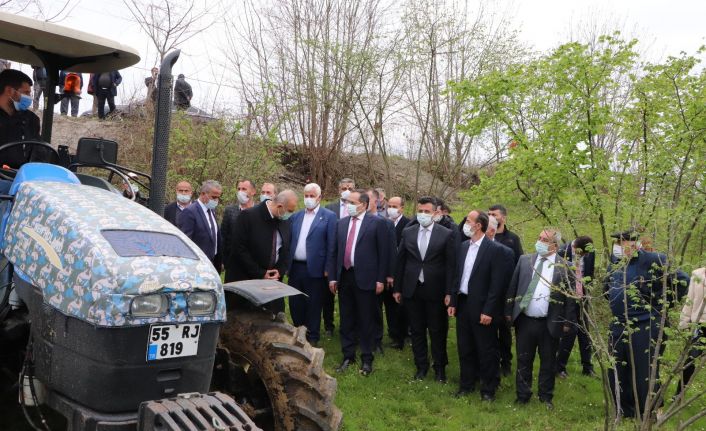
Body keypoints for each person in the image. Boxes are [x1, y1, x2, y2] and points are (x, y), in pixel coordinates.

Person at [605, 228, 689, 418]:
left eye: (622, 242)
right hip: (618, 325)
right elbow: (606, 287)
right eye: (617, 243)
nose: (618, 247)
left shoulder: (653, 260)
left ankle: (649, 411)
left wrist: (660, 303)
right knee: (617, 369)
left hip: (645, 325)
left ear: (633, 244)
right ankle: (625, 410)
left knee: (645, 372)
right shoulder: (615, 264)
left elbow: (683, 280)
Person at [505, 228, 576, 410]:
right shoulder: (525, 260)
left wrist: (568, 322)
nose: (540, 242)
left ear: (554, 245)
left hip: (550, 322)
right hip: (525, 320)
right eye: (539, 238)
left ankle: (546, 396)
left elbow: (570, 298)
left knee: (548, 362)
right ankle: (522, 395)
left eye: (544, 240)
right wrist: (508, 310)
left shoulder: (564, 266)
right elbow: (513, 286)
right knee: (523, 359)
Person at [447, 211, 509, 402]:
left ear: (479, 225)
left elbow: (496, 285)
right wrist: (454, 302)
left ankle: (488, 390)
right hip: (464, 303)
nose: (465, 223)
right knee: (465, 347)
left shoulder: (495, 250)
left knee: (486, 349)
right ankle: (466, 385)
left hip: (483, 307)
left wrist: (489, 311)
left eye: (468, 221)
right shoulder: (464, 246)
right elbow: (458, 276)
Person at [328, 189, 390, 376]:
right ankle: (348, 355)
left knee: (366, 319)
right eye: (347, 202)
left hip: (367, 278)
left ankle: (366, 358)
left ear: (363, 204)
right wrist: (333, 276)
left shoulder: (377, 223)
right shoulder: (342, 223)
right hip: (345, 276)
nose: (348, 205)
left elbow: (383, 254)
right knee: (346, 318)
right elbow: (335, 251)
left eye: (352, 202)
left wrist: (380, 279)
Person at [394, 196, 455, 382]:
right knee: (417, 330)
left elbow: (451, 266)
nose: (422, 214)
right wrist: (397, 288)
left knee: (437, 331)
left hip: (436, 291)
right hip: (412, 289)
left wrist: (449, 293)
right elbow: (401, 261)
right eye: (420, 211)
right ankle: (421, 367)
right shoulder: (409, 232)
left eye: (427, 212)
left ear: (436, 213)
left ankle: (439, 369)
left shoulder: (446, 234)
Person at [229, 190, 297, 313]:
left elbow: (286, 248)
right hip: (247, 281)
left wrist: (280, 270)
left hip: (272, 283)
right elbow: (239, 249)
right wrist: (260, 272)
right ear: (280, 206)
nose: (290, 215)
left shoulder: (284, 220)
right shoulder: (248, 216)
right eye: (290, 211)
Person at [288, 183, 337, 345]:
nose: (308, 199)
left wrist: (328, 268)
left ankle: (313, 336)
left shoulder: (328, 216)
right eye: (306, 195)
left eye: (311, 196)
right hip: (295, 268)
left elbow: (332, 245)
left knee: (314, 303)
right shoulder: (296, 216)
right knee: (295, 303)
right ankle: (298, 333)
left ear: (319, 197)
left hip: (316, 269)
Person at [488, 204, 523, 375]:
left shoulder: (512, 239)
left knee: (504, 330)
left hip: (506, 293)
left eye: (494, 214)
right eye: (488, 214)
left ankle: (506, 362)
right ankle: (491, 360)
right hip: (488, 292)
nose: (491, 216)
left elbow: (519, 265)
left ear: (504, 217)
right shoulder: (487, 237)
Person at [556, 236, 596, 378]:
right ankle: (559, 367)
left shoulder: (590, 251)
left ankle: (587, 366)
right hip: (567, 297)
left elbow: (589, 274)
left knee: (585, 331)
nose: (585, 256)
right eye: (582, 254)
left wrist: (586, 292)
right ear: (575, 248)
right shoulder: (562, 251)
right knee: (570, 331)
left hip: (582, 297)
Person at [322, 177, 356, 336]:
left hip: (350, 257)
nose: (346, 190)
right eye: (344, 188)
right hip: (333, 255)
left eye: (349, 188)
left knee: (349, 295)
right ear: (339, 190)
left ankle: (350, 326)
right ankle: (329, 325)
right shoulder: (330, 209)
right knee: (328, 293)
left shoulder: (357, 208)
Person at [366, 188, 397, 354]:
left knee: (376, 308)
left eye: (368, 199)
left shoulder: (386, 223)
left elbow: (391, 250)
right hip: (360, 273)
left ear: (377, 202)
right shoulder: (355, 221)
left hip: (377, 273)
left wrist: (389, 274)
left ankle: (377, 341)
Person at [177, 180, 223, 270]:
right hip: (197, 266)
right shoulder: (190, 212)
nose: (216, 200)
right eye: (213, 197)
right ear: (203, 194)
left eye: (218, 198)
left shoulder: (211, 210)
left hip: (212, 264)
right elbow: (186, 242)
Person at [0, 69, 41, 168]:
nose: (29, 98)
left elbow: (39, 151)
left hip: (22, 178)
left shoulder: (32, 119)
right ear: (10, 91)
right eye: (26, 93)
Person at [677, 266, 706, 396]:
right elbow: (690, 300)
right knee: (689, 361)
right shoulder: (697, 275)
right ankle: (678, 395)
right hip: (699, 325)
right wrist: (684, 323)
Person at [221, 179, 257, 282]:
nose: (240, 192)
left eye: (244, 189)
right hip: (232, 265)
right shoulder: (229, 211)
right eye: (239, 189)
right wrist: (223, 261)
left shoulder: (259, 212)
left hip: (253, 267)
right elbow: (223, 236)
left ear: (253, 191)